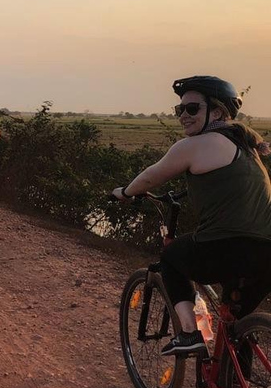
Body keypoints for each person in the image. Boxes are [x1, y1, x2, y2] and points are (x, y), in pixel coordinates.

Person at [112, 75, 271, 356]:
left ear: (218, 112)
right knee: (236, 324)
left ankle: (188, 333)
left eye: (192, 108)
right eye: (179, 110)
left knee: (172, 258)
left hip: (229, 246)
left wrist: (124, 193)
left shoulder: (195, 146)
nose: (183, 115)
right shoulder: (246, 145)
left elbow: (151, 178)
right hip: (266, 252)